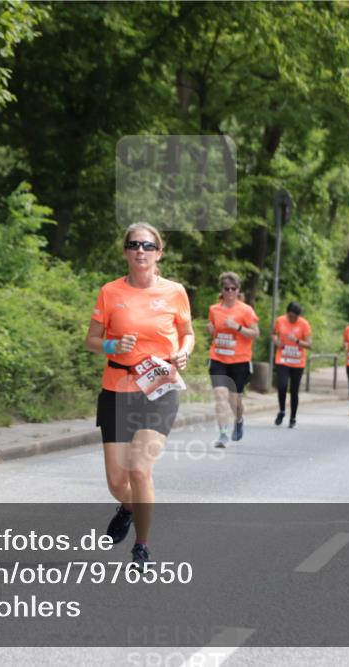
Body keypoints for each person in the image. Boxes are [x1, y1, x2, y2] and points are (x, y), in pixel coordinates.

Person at [85, 223, 194, 567]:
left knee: (139, 468)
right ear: (125, 252)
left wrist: (185, 352)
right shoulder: (110, 292)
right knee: (118, 482)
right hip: (117, 388)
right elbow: (90, 340)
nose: (141, 251)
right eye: (134, 245)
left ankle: (142, 546)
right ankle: (127, 506)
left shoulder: (175, 292)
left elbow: (187, 333)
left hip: (158, 388)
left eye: (148, 246)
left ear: (159, 252)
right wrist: (112, 345)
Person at [207, 271, 260, 448]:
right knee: (220, 395)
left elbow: (255, 333)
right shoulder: (214, 309)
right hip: (218, 358)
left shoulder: (246, 310)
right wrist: (211, 330)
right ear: (222, 290)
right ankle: (222, 434)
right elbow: (214, 330)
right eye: (226, 288)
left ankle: (239, 419)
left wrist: (237, 327)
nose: (230, 292)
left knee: (234, 399)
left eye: (233, 288)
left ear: (238, 290)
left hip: (239, 361)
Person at [272, 302, 312, 428]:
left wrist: (296, 340)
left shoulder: (304, 324)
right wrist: (277, 342)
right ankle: (282, 410)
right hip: (282, 359)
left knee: (294, 391)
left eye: (295, 317)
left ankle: (293, 417)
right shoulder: (280, 321)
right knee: (282, 386)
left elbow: (309, 344)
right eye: (290, 316)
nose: (292, 319)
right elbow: (273, 334)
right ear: (287, 313)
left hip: (297, 362)